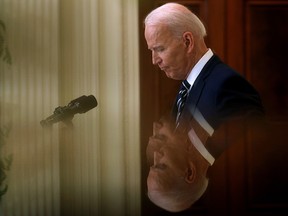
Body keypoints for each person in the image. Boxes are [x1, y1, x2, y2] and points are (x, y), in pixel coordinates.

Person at [144, 2, 264, 212]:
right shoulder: (188, 86)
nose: (154, 61)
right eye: (152, 51)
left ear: (188, 41)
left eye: (159, 49)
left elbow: (247, 163)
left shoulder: (227, 86)